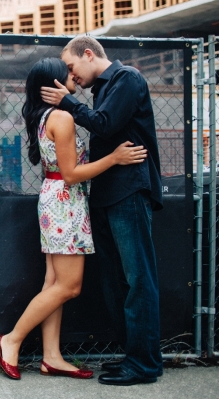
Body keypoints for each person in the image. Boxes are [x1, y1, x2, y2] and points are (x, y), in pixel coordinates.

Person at [0, 58, 147, 381]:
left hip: (57, 199)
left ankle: (51, 357)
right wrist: (115, 158)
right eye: (66, 73)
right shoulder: (61, 117)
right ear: (55, 84)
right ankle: (11, 340)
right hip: (65, 201)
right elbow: (72, 174)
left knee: (54, 284)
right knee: (69, 286)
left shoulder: (47, 115)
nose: (72, 75)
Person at [40, 35, 163, 386]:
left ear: (89, 54)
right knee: (119, 281)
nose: (71, 75)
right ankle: (134, 358)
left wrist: (68, 103)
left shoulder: (128, 79)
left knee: (139, 279)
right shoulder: (101, 90)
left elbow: (106, 123)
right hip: (109, 195)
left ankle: (144, 365)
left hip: (129, 192)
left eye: (71, 67)